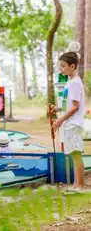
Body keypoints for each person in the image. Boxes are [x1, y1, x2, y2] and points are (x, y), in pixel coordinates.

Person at [51, 51, 85, 193]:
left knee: (76, 155)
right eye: (60, 66)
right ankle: (76, 185)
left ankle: (80, 186)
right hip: (69, 123)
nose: (61, 69)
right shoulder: (69, 83)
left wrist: (60, 120)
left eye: (63, 66)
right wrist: (57, 108)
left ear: (73, 66)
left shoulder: (75, 83)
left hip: (74, 124)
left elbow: (76, 107)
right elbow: (68, 104)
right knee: (73, 154)